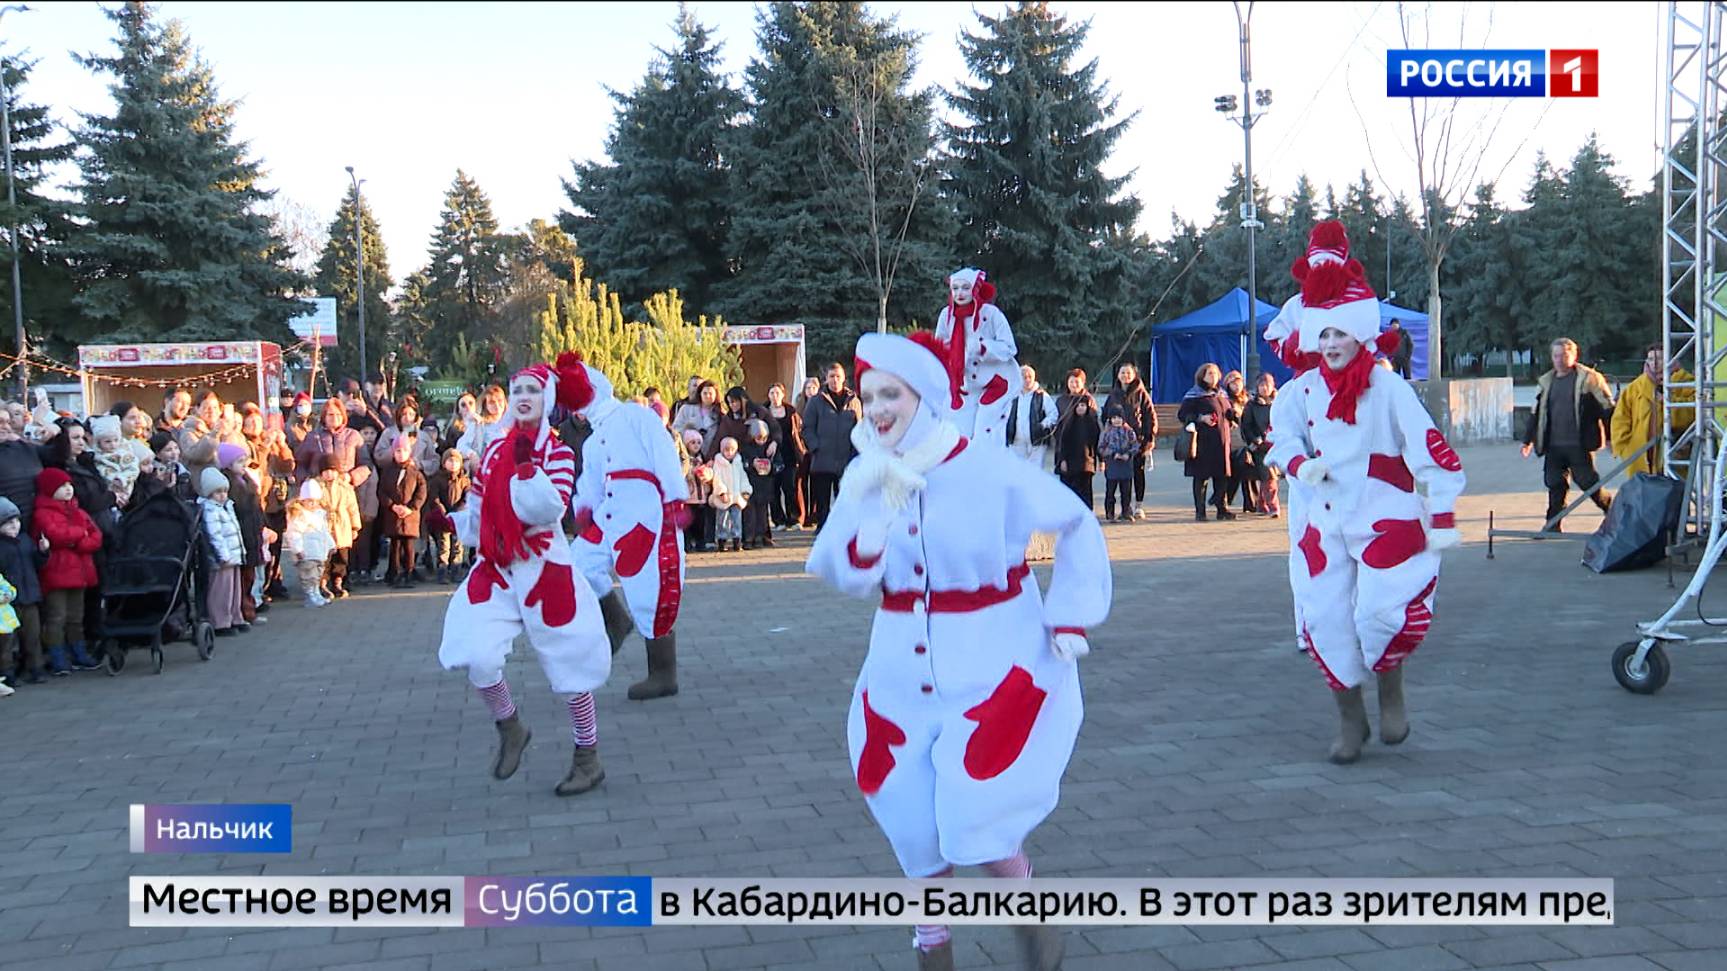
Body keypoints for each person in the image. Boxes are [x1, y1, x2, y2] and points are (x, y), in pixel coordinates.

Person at [806, 331, 1111, 971]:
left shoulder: (986, 466)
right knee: (912, 818)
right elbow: (836, 566)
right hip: (897, 675)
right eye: (867, 397)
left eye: (891, 393)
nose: (878, 408)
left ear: (926, 396)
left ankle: (1031, 920)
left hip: (994, 664)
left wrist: (1070, 615)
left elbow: (1077, 520)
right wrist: (874, 528)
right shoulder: (867, 473)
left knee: (976, 814)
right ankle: (932, 950)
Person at [1266, 219, 1466, 763]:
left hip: (1381, 507)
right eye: (1322, 334)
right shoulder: (1299, 390)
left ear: (1360, 334)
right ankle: (1350, 720)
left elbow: (1430, 446)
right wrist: (1298, 464)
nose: (1330, 343)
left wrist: (1442, 510)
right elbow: (1278, 437)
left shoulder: (1385, 386)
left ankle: (1391, 689)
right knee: (1326, 617)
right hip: (1319, 515)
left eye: (1340, 333)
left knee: (1379, 611)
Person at [438, 356, 612, 797]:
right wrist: (458, 525)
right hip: (496, 565)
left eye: (532, 391)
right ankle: (510, 725)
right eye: (517, 391)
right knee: (473, 651)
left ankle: (587, 756)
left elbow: (547, 510)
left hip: (544, 566)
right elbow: (480, 504)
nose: (523, 398)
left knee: (571, 663)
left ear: (547, 399)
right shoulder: (495, 448)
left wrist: (526, 469)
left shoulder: (558, 452)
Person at [564, 353, 692, 702]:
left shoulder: (634, 415)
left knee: (651, 583)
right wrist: (584, 511)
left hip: (646, 509)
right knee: (578, 563)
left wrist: (673, 499)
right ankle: (616, 620)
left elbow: (663, 451)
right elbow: (589, 481)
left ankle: (663, 672)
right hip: (609, 512)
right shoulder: (592, 441)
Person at [1521, 337, 1616, 530]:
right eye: (1556, 356)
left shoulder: (1590, 379)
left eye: (1564, 355)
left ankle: (1613, 511)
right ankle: (1552, 525)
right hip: (1553, 446)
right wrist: (1527, 440)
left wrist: (1612, 438)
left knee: (1588, 483)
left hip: (1580, 444)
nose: (1559, 360)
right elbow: (1536, 412)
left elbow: (1607, 409)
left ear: (1574, 355)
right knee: (1555, 484)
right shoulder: (1546, 382)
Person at [933, 267, 1021, 443]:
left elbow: (1010, 347)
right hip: (963, 385)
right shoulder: (947, 316)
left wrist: (984, 348)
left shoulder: (991, 314)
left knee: (986, 434)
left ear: (974, 289)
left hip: (995, 383)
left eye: (965, 287)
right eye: (955, 288)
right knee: (958, 435)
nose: (960, 293)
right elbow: (939, 346)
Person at [34, 468, 103, 675]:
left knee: (76, 616)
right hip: (56, 573)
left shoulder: (78, 511)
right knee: (57, 617)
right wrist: (79, 534)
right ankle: (57, 657)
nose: (68, 489)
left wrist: (78, 541)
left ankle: (79, 653)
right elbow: (56, 535)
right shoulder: (42, 513)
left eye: (69, 485)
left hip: (79, 572)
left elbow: (95, 536)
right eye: (62, 486)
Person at [1611, 343, 1695, 477]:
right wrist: (1624, 446)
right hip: (1640, 450)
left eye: (1660, 358)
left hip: (1674, 449)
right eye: (1650, 359)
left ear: (1671, 358)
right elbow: (1620, 417)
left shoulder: (1686, 381)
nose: (1655, 363)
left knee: (1673, 491)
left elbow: (1694, 412)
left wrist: (1668, 402)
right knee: (1643, 492)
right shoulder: (1635, 386)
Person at [802, 363, 862, 531]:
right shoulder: (816, 401)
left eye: (838, 376)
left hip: (846, 459)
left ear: (844, 379)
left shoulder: (854, 401)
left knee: (845, 499)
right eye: (831, 377)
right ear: (826, 379)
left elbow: (860, 429)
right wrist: (815, 447)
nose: (835, 380)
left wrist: (855, 452)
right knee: (822, 500)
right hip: (822, 459)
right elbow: (807, 428)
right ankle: (823, 530)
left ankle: (845, 531)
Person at [1178, 364, 1236, 522]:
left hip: (1221, 442)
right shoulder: (1194, 394)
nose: (1213, 376)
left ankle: (1222, 509)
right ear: (1202, 376)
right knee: (1201, 477)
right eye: (1209, 373)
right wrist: (1200, 418)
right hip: (1203, 442)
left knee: (1222, 477)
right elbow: (1183, 414)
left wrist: (1234, 414)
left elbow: (1228, 412)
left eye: (1215, 374)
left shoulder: (1222, 394)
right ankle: (1200, 511)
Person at [218, 443, 265, 625]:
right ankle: (241, 613)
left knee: (249, 576)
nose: (244, 464)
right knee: (241, 579)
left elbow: (256, 509)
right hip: (240, 535)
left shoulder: (247, 480)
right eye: (239, 461)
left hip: (252, 533)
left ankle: (248, 611)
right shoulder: (228, 484)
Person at [1103, 363, 1158, 518]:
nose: (1125, 376)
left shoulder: (1141, 393)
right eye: (1122, 372)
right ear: (1118, 375)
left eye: (1128, 373)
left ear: (1134, 375)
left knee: (1137, 473)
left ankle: (1138, 505)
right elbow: (1105, 415)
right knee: (1119, 477)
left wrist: (1149, 438)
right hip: (1116, 443)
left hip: (1136, 441)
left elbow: (1150, 416)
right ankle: (1121, 508)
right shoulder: (1113, 394)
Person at [0, 497, 45, 685]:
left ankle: (36, 668)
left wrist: (43, 552)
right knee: (8, 641)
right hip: (7, 602)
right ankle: (8, 673)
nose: (15, 526)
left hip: (30, 596)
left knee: (33, 636)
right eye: (8, 523)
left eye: (17, 521)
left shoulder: (25, 540)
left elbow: (37, 564)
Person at [197, 467, 246, 636]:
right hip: (222, 559)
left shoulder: (227, 507)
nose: (222, 495)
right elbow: (214, 535)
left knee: (234, 590)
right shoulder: (210, 510)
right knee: (221, 591)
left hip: (233, 555)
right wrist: (223, 555)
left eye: (225, 491)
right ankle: (220, 622)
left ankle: (235, 617)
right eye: (218, 492)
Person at [376, 434, 428, 588]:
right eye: (397, 451)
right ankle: (394, 573)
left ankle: (409, 572)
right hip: (393, 515)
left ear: (409, 452)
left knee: (409, 546)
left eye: (404, 450)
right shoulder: (387, 471)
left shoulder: (415, 472)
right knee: (395, 546)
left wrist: (411, 508)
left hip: (410, 516)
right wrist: (392, 506)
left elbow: (421, 492)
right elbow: (381, 491)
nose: (401, 454)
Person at [316, 455, 361, 599]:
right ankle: (322, 583)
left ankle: (338, 582)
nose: (329, 474)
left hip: (342, 526)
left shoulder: (345, 487)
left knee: (341, 557)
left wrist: (355, 527)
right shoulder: (316, 486)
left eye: (333, 470)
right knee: (325, 558)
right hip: (323, 526)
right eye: (326, 471)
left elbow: (352, 508)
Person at [284, 480, 335, 607]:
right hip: (306, 553)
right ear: (303, 500)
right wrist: (297, 549)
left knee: (317, 575)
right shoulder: (300, 515)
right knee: (308, 575)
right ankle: (309, 595)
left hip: (319, 552)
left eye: (315, 501)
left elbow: (324, 532)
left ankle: (316, 592)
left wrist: (331, 545)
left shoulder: (320, 515)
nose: (312, 504)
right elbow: (294, 533)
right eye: (309, 500)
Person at [763, 383, 805, 530]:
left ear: (783, 395)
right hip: (771, 454)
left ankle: (794, 518)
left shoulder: (790, 411)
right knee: (773, 488)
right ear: (768, 396)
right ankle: (778, 520)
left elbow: (797, 431)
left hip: (789, 453)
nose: (775, 396)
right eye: (772, 393)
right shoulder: (763, 412)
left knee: (790, 487)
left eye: (777, 393)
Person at [1238, 373, 1281, 517]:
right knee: (1269, 476)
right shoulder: (1251, 405)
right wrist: (1255, 439)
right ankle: (1273, 506)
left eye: (1267, 385)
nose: (1264, 388)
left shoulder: (1278, 402)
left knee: (1269, 476)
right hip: (1259, 446)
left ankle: (1262, 505)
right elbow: (1246, 425)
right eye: (1262, 385)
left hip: (1276, 445)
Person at [426, 448, 471, 584]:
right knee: (443, 544)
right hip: (443, 517)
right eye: (450, 461)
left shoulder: (464, 480)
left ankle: (456, 569)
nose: (453, 464)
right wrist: (440, 508)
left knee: (458, 544)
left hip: (459, 516)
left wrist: (462, 507)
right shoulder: (437, 479)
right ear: (444, 463)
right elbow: (433, 496)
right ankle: (442, 570)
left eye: (456, 461)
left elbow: (468, 495)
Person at [1005, 365, 1058, 470]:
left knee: (1035, 472)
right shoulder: (1012, 395)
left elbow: (1053, 413)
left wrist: (1043, 425)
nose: (1027, 379)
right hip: (1016, 442)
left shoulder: (1042, 395)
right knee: (1017, 471)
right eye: (1024, 377)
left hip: (1037, 442)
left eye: (1030, 377)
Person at [1053, 393, 1100, 508]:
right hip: (1071, 463)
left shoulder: (1092, 424)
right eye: (1078, 406)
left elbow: (1097, 444)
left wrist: (1101, 460)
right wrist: (1062, 460)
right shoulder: (1068, 424)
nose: (1080, 408)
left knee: (1086, 490)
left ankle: (1087, 513)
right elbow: (1063, 444)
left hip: (1087, 463)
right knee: (1071, 490)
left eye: (1083, 405)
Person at [740, 420, 779, 549]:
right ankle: (749, 538)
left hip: (765, 485)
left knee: (763, 513)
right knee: (750, 514)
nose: (762, 440)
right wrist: (751, 465)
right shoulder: (747, 449)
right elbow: (742, 464)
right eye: (758, 437)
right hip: (750, 485)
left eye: (764, 437)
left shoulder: (770, 450)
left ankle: (762, 536)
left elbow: (780, 465)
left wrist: (771, 467)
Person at [709, 436, 750, 552]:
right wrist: (721, 492)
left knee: (737, 519)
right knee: (722, 520)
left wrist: (745, 490)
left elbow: (743, 477)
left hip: (736, 497)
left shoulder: (738, 462)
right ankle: (722, 540)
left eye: (732, 450)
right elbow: (717, 478)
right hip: (724, 498)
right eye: (726, 450)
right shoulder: (719, 463)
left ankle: (737, 540)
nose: (729, 453)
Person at [1099, 406, 1140, 522]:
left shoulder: (1129, 431)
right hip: (1112, 465)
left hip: (1126, 465)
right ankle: (1110, 513)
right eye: (1114, 418)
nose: (1116, 420)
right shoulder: (1107, 432)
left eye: (1119, 418)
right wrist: (1112, 454)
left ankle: (1126, 512)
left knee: (1126, 491)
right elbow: (1101, 447)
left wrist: (1129, 454)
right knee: (1110, 491)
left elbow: (1135, 445)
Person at [1220, 370, 1252, 513]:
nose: (1236, 386)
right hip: (1230, 441)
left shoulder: (1248, 399)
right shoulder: (1224, 399)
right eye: (1233, 383)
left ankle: (1250, 502)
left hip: (1246, 441)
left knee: (1247, 471)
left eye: (1238, 382)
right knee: (1233, 471)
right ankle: (1223, 498)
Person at [680, 430, 715, 554]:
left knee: (700, 522)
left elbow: (711, 474)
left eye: (698, 442)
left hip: (701, 496)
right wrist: (689, 473)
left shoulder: (702, 458)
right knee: (687, 523)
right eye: (692, 442)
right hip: (689, 497)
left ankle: (701, 542)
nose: (696, 445)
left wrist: (707, 474)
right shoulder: (684, 460)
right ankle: (687, 544)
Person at [671, 380, 723, 454]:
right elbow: (675, 430)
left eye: (710, 393)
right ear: (700, 394)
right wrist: (690, 435)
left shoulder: (720, 415)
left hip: (709, 456)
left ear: (716, 395)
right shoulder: (686, 409)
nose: (707, 396)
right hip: (686, 454)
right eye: (705, 393)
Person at [285, 392, 318, 457]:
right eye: (300, 405)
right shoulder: (291, 425)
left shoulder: (317, 422)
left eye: (306, 404)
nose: (303, 407)